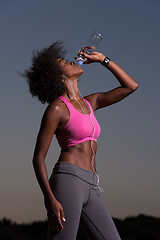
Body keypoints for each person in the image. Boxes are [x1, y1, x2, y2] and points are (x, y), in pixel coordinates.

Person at [24, 41, 138, 240]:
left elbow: (131, 86)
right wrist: (49, 199)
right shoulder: (57, 109)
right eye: (64, 62)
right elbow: (38, 158)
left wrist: (103, 60)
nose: (71, 61)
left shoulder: (90, 102)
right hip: (68, 181)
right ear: (58, 76)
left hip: (92, 185)